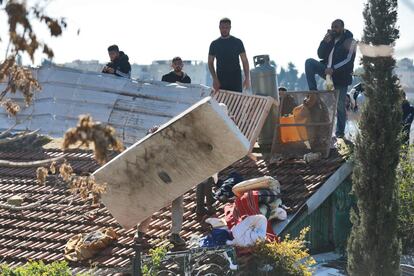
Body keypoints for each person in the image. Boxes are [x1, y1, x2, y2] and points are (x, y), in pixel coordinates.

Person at [305, 19, 356, 138]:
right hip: (327, 72)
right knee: (309, 63)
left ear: (343, 28)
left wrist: (334, 68)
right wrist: (324, 42)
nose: (334, 29)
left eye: (336, 27)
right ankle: (313, 91)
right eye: (332, 27)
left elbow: (348, 60)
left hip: (341, 76)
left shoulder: (351, 41)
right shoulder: (330, 39)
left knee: (340, 105)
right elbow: (320, 55)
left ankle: (340, 134)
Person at [135, 126, 186, 247]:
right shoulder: (147, 151)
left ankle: (175, 234)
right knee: (151, 203)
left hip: (173, 179)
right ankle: (140, 232)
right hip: (156, 180)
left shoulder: (170, 147)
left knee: (178, 202)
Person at [208, 18, 250, 93]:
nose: (224, 30)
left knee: (236, 103)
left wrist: (247, 78)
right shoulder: (214, 44)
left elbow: (244, 61)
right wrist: (215, 79)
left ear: (230, 28)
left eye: (227, 27)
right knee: (221, 103)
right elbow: (210, 62)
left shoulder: (237, 42)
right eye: (222, 27)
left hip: (236, 79)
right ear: (219, 27)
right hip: (220, 80)